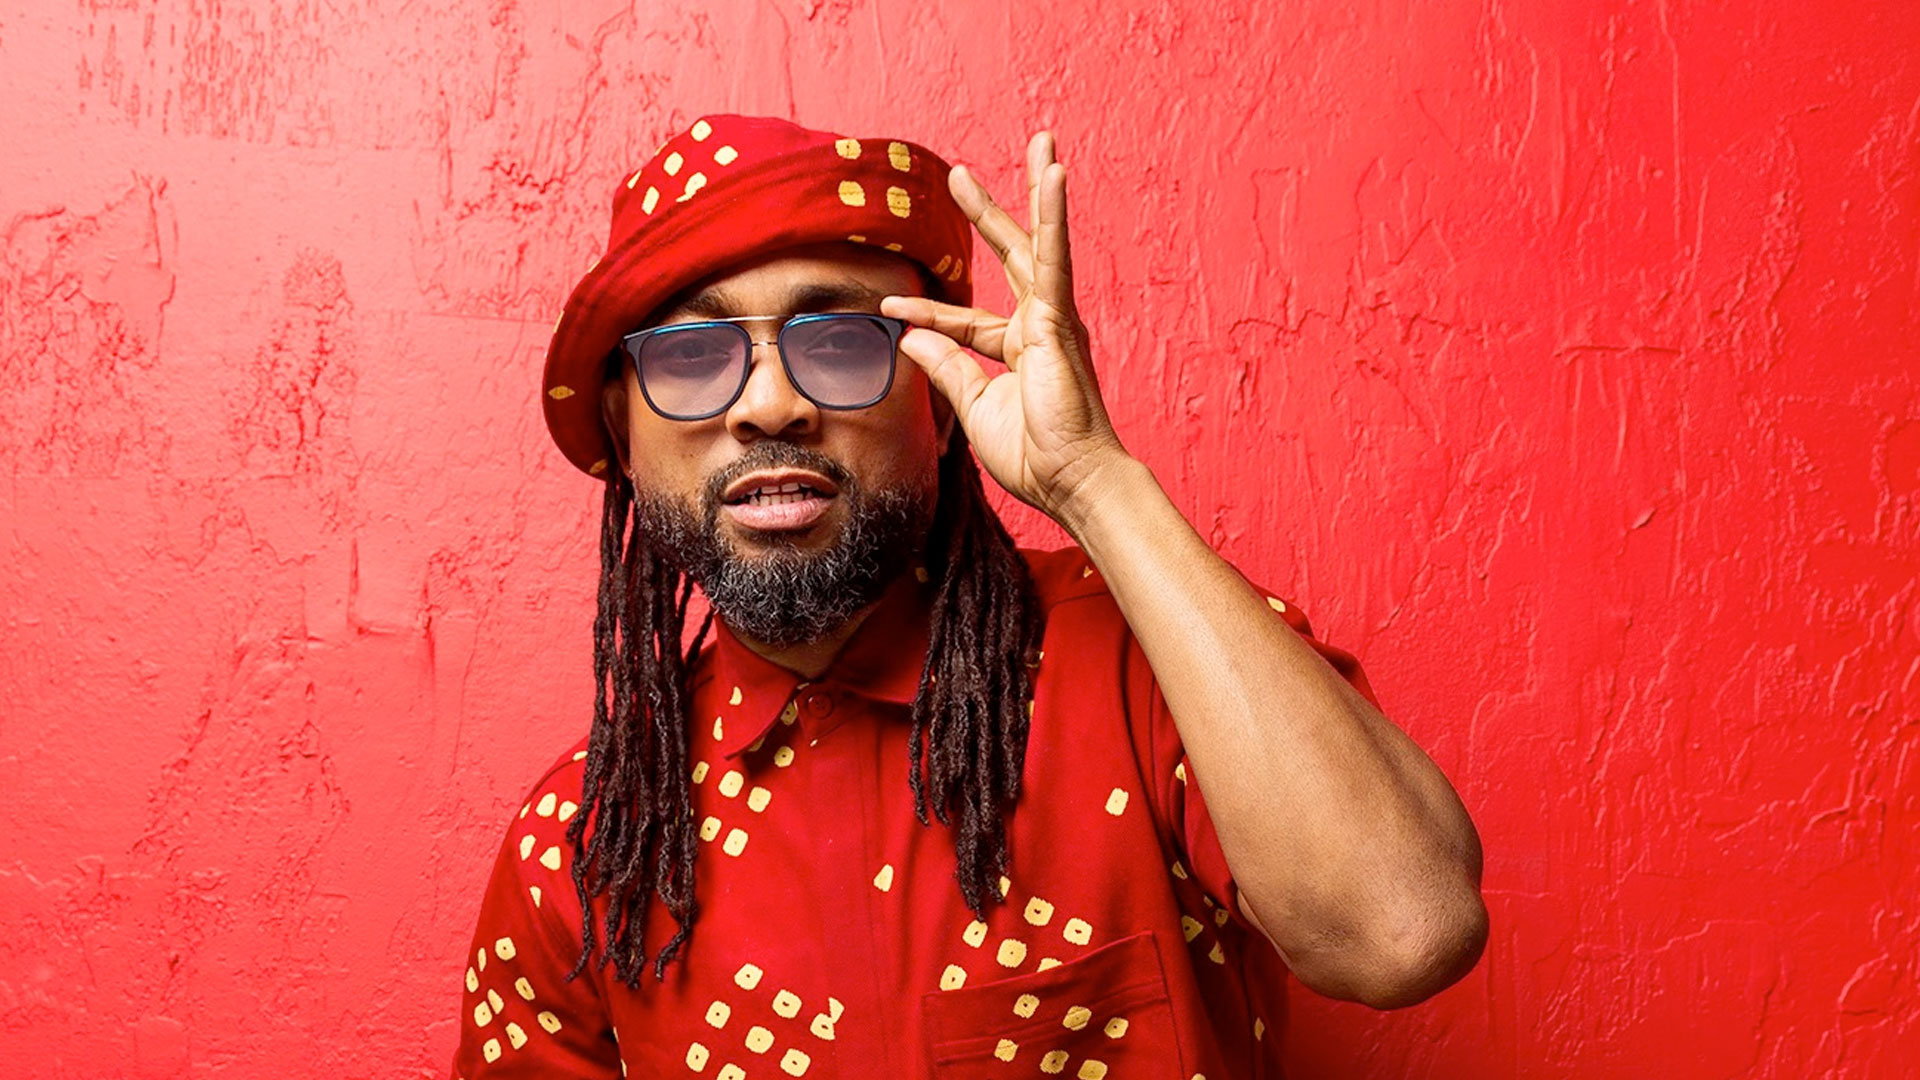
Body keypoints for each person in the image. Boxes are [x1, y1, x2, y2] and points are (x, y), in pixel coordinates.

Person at [451, 115, 1485, 1079]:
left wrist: (1093, 478)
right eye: (691, 354)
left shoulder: (1148, 664)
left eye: (842, 341)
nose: (771, 403)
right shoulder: (581, 849)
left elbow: (1405, 932)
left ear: (940, 407)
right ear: (622, 436)